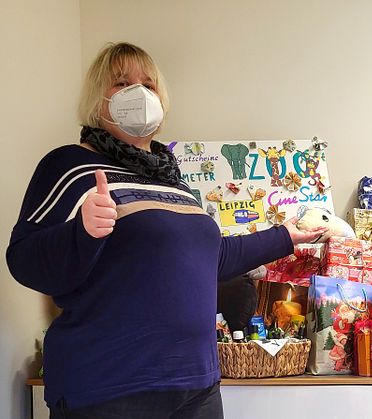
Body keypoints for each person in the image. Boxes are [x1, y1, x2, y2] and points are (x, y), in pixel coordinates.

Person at [6, 42, 325, 418]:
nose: (139, 93)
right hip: (110, 386)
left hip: (196, 384)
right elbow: (23, 259)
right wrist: (82, 232)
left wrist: (286, 235)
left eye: (149, 84)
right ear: (98, 98)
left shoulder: (173, 181)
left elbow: (214, 258)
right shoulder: (70, 164)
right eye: (122, 82)